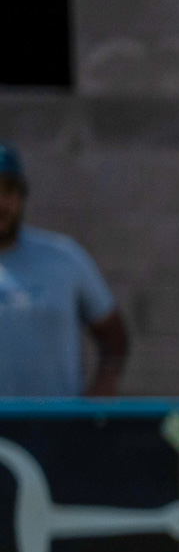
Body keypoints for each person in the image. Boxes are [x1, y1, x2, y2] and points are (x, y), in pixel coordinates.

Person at [0, 143, 129, 396]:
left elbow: (114, 336)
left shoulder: (64, 257)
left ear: (22, 196)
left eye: (7, 190)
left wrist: (98, 398)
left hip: (55, 426)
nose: (0, 203)